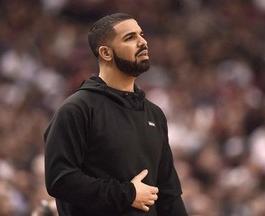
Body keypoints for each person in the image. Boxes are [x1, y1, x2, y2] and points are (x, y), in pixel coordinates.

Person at [44, 13, 187, 216]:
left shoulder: (154, 114)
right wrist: (127, 194)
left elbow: (169, 194)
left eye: (141, 34)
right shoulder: (77, 109)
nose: (143, 42)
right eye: (130, 37)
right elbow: (60, 179)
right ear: (106, 53)